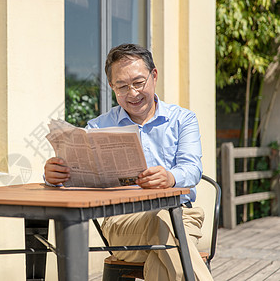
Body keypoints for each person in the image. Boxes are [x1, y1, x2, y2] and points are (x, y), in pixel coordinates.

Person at [44, 43, 213, 280]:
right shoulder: (97, 127)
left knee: (163, 236)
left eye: (138, 83)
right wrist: (54, 176)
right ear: (112, 87)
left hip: (180, 214)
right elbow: (77, 174)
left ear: (154, 75)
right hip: (123, 224)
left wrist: (170, 177)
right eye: (122, 86)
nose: (132, 93)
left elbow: (192, 169)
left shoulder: (183, 119)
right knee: (167, 233)